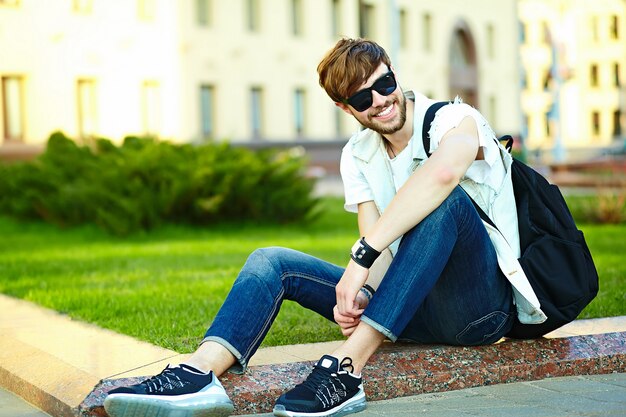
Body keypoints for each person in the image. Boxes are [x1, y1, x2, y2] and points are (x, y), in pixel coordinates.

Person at [104, 37, 546, 417]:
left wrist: (360, 258)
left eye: (385, 84)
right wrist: (364, 293)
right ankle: (199, 372)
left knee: (442, 203)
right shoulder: (358, 154)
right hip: (410, 309)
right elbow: (381, 256)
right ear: (343, 106)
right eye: (362, 98)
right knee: (271, 262)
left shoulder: (455, 119)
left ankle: (347, 371)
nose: (380, 100)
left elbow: (445, 174)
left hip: (478, 312)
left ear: (394, 72)